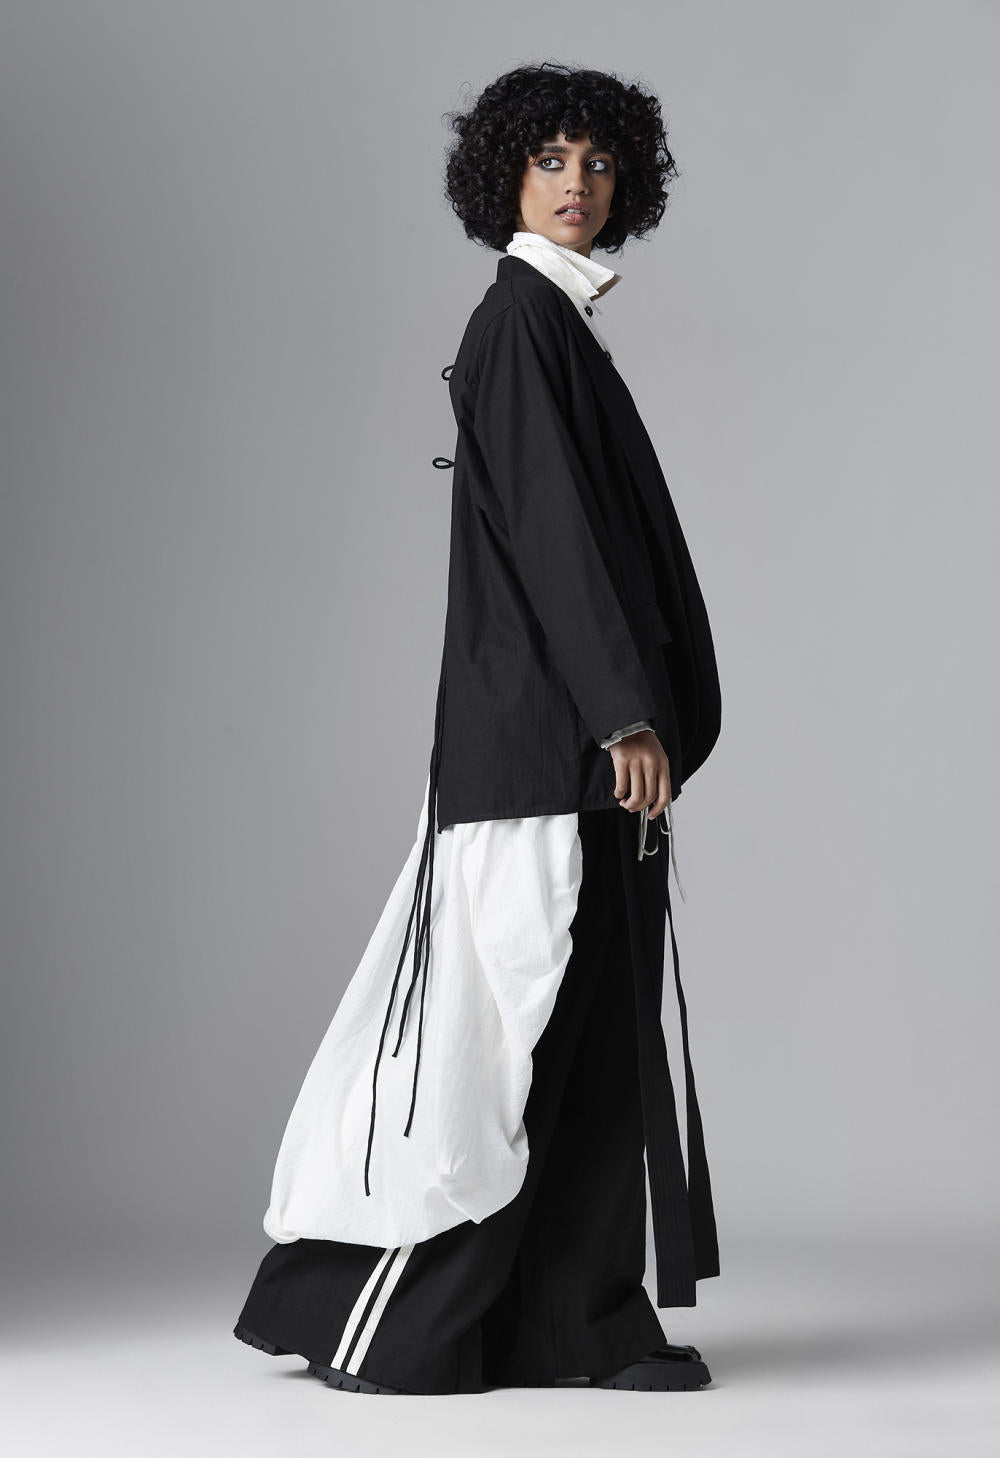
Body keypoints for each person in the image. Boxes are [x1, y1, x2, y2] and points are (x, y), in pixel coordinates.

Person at [232, 60, 723, 1397]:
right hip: (550, 751)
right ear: (505, 172)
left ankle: (579, 1325)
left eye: (600, 164)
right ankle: (383, 1321)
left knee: (588, 1040)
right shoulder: (517, 322)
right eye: (552, 159)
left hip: (577, 751)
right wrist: (624, 711)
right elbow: (556, 541)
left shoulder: (555, 325)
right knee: (499, 1044)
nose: (578, 185)